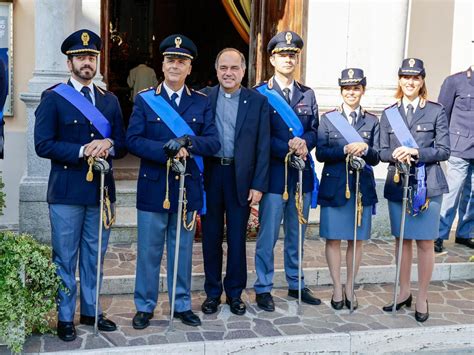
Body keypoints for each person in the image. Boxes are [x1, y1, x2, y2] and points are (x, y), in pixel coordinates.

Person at [34, 29, 127, 341]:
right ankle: (64, 317)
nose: (87, 62)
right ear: (69, 62)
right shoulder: (54, 98)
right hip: (66, 193)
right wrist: (81, 150)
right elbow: (43, 144)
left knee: (94, 255)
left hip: (100, 192)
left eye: (91, 57)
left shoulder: (109, 100)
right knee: (65, 258)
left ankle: (90, 310)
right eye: (81, 57)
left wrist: (109, 142)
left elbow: (123, 144)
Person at [127, 34, 220, 329]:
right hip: (154, 185)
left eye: (181, 61)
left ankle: (181, 304)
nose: (175, 66)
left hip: (187, 187)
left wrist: (188, 143)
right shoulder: (145, 99)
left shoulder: (202, 102)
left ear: (189, 68)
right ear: (162, 65)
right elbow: (132, 140)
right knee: (149, 251)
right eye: (170, 60)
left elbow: (214, 141)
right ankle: (145, 305)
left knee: (181, 249)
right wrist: (164, 149)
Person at [379, 58, 450, 322]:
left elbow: (444, 150)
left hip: (428, 185)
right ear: (400, 80)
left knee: (425, 243)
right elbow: (380, 151)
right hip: (398, 184)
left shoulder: (435, 111)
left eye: (415, 78)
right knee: (401, 242)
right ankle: (403, 292)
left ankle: (422, 296)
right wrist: (394, 154)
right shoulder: (389, 114)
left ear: (422, 81)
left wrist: (416, 151)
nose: (410, 82)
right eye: (405, 77)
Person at [253, 31, 320, 312]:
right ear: (272, 58)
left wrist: (305, 142)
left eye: (292, 55)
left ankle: (296, 283)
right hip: (273, 178)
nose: (288, 59)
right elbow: (258, 136)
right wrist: (288, 147)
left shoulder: (308, 93)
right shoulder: (260, 94)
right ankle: (263, 287)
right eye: (283, 54)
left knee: (297, 234)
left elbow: (316, 129)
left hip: (300, 176)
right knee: (268, 236)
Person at [200, 48, 270, 316]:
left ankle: (235, 294)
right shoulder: (204, 98)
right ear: (216, 70)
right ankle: (212, 293)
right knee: (211, 237)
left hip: (241, 179)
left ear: (243, 70)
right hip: (212, 175)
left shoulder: (257, 101)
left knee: (238, 239)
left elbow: (263, 146)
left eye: (234, 68)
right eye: (223, 68)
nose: (228, 73)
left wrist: (258, 185)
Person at [317, 68, 380, 310]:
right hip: (335, 187)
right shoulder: (328, 118)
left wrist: (364, 149)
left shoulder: (372, 120)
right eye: (347, 88)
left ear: (362, 90)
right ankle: (335, 287)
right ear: (341, 91)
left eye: (355, 88)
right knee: (333, 239)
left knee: (357, 240)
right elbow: (321, 153)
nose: (351, 92)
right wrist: (344, 150)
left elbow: (377, 157)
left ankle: (350, 286)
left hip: (361, 189)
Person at [435, 67, 474, 252]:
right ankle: (438, 234)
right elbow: (442, 115)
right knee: (452, 191)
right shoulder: (455, 81)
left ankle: (465, 233)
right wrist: (443, 144)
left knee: (473, 194)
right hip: (458, 147)